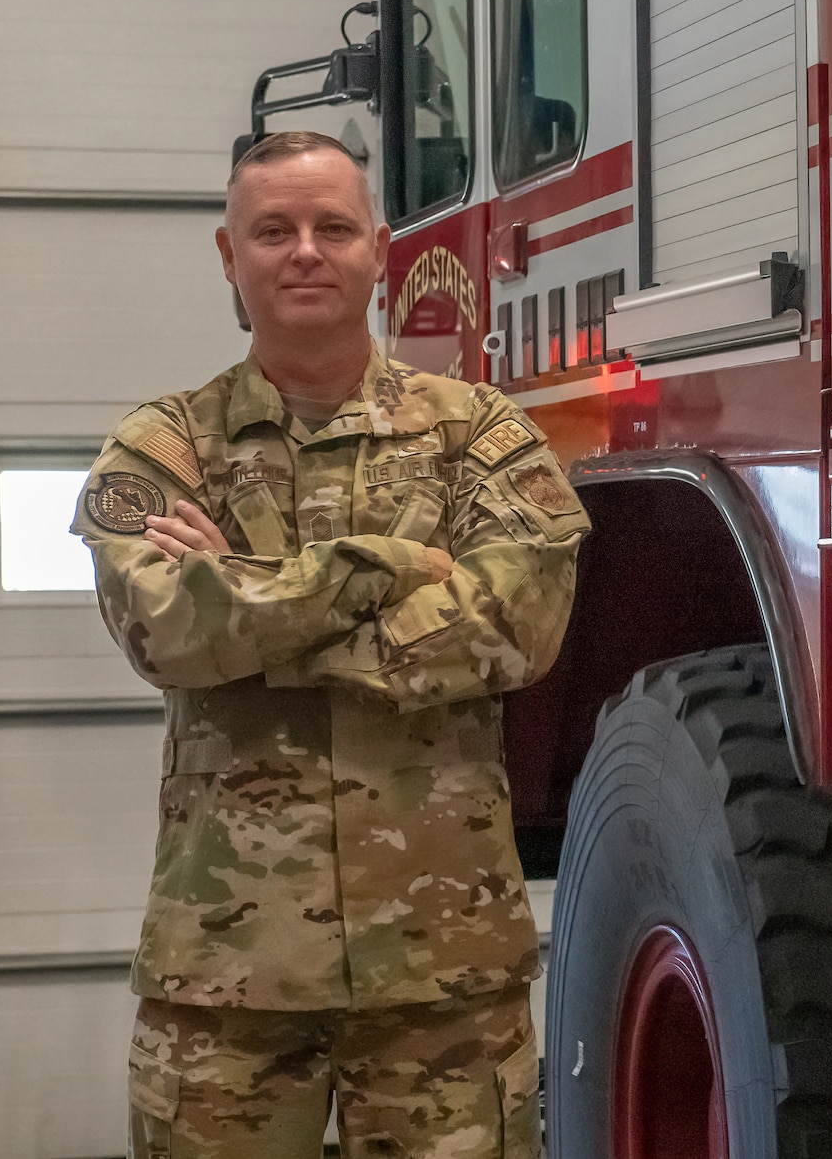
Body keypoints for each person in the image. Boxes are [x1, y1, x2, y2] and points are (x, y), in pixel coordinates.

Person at [72, 130, 588, 1157]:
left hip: (443, 975)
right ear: (230, 255)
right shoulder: (163, 444)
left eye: (331, 227)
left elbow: (514, 626)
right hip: (228, 971)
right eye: (273, 230)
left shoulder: (480, 433)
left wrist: (255, 610)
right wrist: (391, 569)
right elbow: (166, 627)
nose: (303, 250)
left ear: (379, 250)